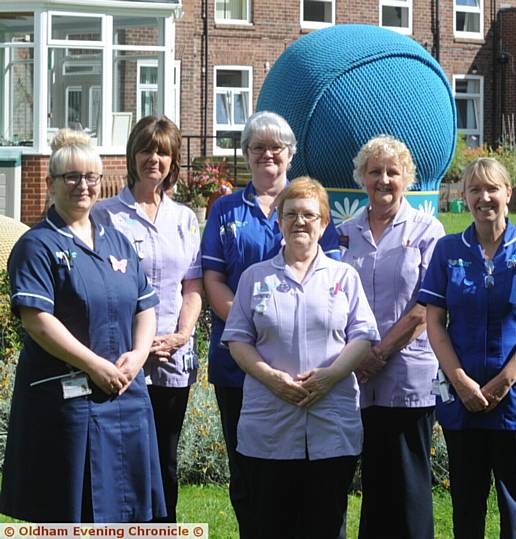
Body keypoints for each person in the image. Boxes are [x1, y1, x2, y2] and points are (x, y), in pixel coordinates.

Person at [0, 129, 165, 522]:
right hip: (66, 405)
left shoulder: (118, 242)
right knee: (69, 513)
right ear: (51, 183)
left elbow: (145, 306)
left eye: (90, 177)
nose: (82, 186)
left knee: (126, 512)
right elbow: (37, 321)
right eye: (71, 177)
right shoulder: (37, 246)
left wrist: (139, 355)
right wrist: (95, 365)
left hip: (125, 396)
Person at [201, 110, 340, 535]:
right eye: (258, 147)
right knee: (247, 469)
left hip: (303, 366)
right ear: (246, 154)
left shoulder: (308, 208)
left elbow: (330, 279)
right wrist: (251, 332)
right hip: (236, 362)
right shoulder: (226, 210)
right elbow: (212, 279)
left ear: (290, 155)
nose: (267, 155)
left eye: (276, 147)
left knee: (301, 467)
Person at [221, 177, 379, 539]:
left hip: (331, 423)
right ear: (279, 221)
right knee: (268, 524)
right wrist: (272, 378)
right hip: (270, 426)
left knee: (325, 524)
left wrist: (331, 375)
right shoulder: (255, 278)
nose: (299, 222)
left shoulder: (344, 278)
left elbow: (363, 336)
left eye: (309, 215)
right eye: (290, 214)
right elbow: (238, 342)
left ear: (324, 223)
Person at [419, 157, 516, 538]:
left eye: (492, 188)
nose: (484, 197)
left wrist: (505, 381)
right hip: (463, 401)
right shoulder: (447, 250)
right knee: (467, 505)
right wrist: (460, 383)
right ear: (464, 196)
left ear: (508, 193)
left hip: (515, 400)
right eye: (475, 189)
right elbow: (434, 322)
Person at [93, 116, 203, 523]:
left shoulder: (185, 219)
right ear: (132, 155)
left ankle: (163, 528)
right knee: (122, 458)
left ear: (172, 159)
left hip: (173, 358)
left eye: (162, 151)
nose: (153, 158)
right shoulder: (105, 215)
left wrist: (181, 335)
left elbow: (193, 284)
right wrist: (138, 348)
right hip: (121, 358)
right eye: (145, 149)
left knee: (165, 457)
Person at [337, 135, 444, 539]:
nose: (383, 180)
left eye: (392, 172)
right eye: (375, 171)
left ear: (407, 179)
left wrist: (377, 353)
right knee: (374, 478)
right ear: (362, 177)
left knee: (409, 478)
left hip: (407, 373)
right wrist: (357, 356)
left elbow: (425, 306)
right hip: (358, 374)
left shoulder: (426, 229)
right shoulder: (345, 233)